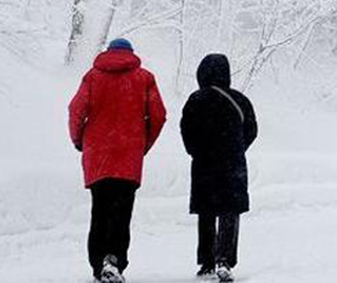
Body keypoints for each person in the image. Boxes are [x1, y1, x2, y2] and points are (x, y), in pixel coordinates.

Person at [68, 38, 167, 283]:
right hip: (128, 156)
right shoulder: (144, 78)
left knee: (99, 212)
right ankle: (114, 260)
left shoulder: (92, 77)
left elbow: (75, 110)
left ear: (108, 52)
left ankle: (97, 265)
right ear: (131, 54)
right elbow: (159, 115)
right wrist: (143, 144)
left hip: (98, 155)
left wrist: (79, 140)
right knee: (121, 213)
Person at [180, 53, 258, 281]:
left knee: (206, 211)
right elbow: (252, 130)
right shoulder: (240, 100)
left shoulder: (196, 99)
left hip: (204, 164)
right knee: (229, 211)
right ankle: (225, 260)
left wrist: (196, 151)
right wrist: (237, 148)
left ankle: (206, 262)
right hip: (232, 164)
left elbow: (186, 130)